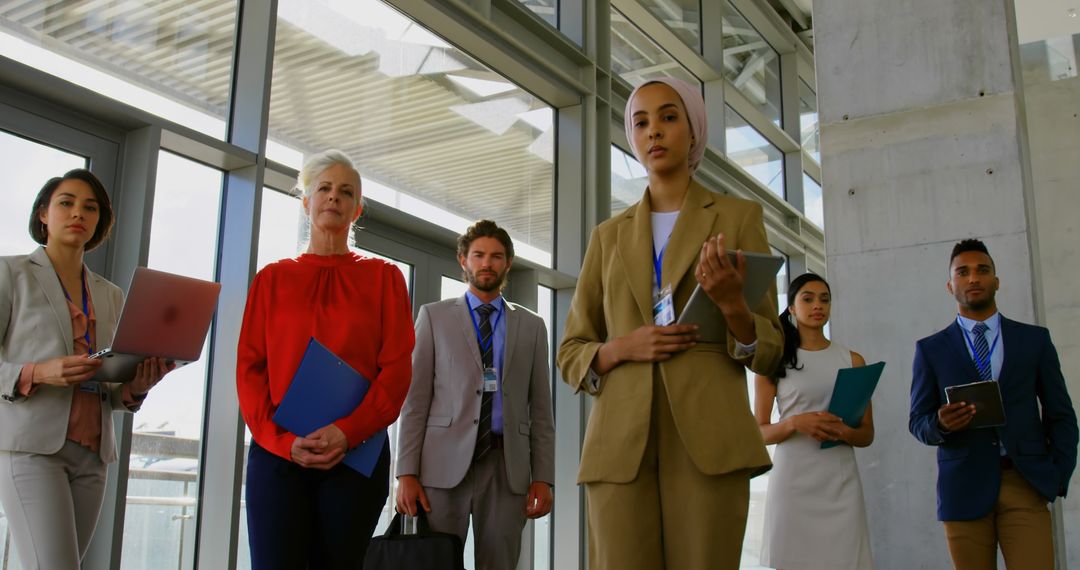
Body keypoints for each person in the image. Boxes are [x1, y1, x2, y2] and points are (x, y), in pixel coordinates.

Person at [556, 77, 783, 569]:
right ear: (632, 138)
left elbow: (772, 348)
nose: (653, 131)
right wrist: (621, 348)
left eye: (668, 117)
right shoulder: (607, 236)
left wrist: (733, 308)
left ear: (693, 130)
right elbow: (571, 350)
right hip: (619, 445)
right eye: (641, 122)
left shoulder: (738, 217)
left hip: (709, 437)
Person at [236, 150, 414, 569]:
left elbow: (397, 370)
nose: (334, 197)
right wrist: (281, 442)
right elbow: (249, 368)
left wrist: (348, 432)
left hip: (357, 454)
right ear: (306, 201)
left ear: (358, 209)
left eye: (346, 192)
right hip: (279, 454)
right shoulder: (272, 278)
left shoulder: (385, 278)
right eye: (325, 189)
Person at [0, 169, 173, 568]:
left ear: (99, 222)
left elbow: (110, 386)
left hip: (93, 456)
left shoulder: (110, 294)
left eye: (90, 207)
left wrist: (135, 388)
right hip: (32, 450)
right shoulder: (12, 274)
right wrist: (38, 373)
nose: (78, 212)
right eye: (67, 203)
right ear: (43, 214)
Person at [395, 219, 555, 570]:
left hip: (505, 467)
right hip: (441, 467)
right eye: (479, 255)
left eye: (496, 256)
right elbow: (415, 401)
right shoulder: (434, 317)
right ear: (463, 260)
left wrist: (543, 476)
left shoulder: (532, 326)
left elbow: (541, 410)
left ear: (508, 263)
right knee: (436, 563)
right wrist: (405, 472)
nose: (487, 263)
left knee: (500, 564)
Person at [909, 238, 1078, 569]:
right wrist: (941, 424)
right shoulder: (930, 350)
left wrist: (1058, 476)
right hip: (963, 488)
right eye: (963, 272)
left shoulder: (1034, 340)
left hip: (1025, 482)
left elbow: (1061, 415)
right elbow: (917, 422)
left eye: (982, 270)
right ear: (950, 285)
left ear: (996, 281)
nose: (973, 278)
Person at [755, 273, 874, 569]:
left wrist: (844, 431)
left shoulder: (853, 360)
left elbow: (867, 434)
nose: (817, 305)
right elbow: (758, 432)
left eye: (824, 299)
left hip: (840, 482)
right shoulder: (774, 359)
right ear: (792, 307)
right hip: (793, 483)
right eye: (807, 299)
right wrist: (795, 424)